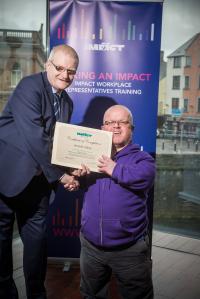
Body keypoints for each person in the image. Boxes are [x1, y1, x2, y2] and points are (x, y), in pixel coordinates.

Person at [0, 44, 79, 299]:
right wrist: (61, 175)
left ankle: (36, 294)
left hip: (39, 184)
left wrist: (74, 168)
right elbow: (36, 137)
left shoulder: (68, 103)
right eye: (60, 68)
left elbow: (60, 146)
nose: (65, 75)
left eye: (71, 71)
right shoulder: (29, 86)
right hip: (6, 177)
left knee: (37, 245)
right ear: (48, 65)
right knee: (1, 244)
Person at [76, 105, 156, 299]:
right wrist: (75, 178)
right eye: (110, 122)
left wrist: (114, 168)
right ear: (103, 128)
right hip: (91, 248)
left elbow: (145, 177)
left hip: (130, 250)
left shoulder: (142, 159)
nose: (116, 127)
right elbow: (81, 182)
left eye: (122, 122)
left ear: (132, 128)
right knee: (90, 295)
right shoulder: (91, 156)